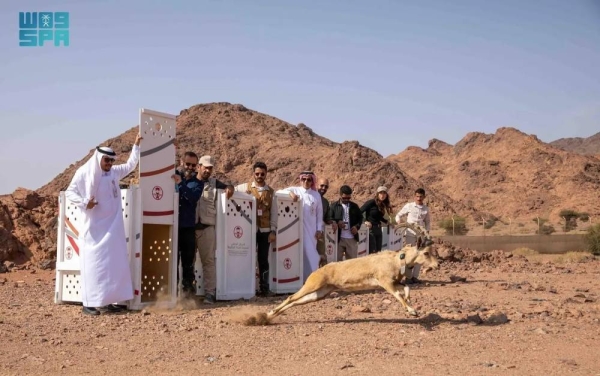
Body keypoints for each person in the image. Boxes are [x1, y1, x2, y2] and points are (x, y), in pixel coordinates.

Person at [65, 133, 142, 316]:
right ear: (99, 158)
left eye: (111, 161)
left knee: (112, 266)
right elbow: (70, 192)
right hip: (94, 229)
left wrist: (136, 145)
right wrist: (85, 203)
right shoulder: (84, 173)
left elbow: (131, 165)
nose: (109, 164)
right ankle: (88, 303)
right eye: (107, 160)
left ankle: (108, 302)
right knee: (94, 266)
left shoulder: (113, 173)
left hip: (113, 229)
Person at [195, 155, 234, 304]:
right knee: (187, 262)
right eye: (205, 167)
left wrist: (230, 189)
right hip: (190, 227)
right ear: (199, 167)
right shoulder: (190, 182)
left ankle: (209, 293)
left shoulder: (214, 183)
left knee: (208, 261)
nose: (207, 170)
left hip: (207, 228)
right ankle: (187, 293)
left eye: (210, 168)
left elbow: (229, 187)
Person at [235, 162, 277, 297]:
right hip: (250, 230)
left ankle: (264, 288)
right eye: (257, 173)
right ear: (253, 174)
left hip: (265, 231)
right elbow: (230, 191)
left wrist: (273, 230)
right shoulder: (245, 187)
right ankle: (246, 288)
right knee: (247, 258)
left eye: (262, 174)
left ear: (266, 174)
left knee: (263, 259)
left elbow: (274, 213)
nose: (259, 176)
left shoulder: (271, 192)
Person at [281, 171, 323, 282]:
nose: (306, 182)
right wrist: (290, 194)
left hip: (312, 231)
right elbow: (279, 192)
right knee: (299, 254)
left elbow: (319, 215)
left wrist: (319, 230)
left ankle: (313, 280)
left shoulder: (316, 195)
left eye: (309, 180)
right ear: (300, 180)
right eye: (303, 179)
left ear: (312, 181)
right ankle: (299, 281)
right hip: (297, 229)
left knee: (312, 255)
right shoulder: (296, 190)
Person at [171, 151, 202, 297]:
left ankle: (188, 296)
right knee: (172, 262)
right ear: (181, 162)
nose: (190, 167)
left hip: (188, 228)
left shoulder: (198, 183)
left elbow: (192, 198)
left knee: (188, 262)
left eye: (193, 165)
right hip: (172, 226)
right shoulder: (172, 175)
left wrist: (181, 183)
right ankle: (172, 296)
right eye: (187, 164)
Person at [394, 187, 432, 284]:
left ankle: (415, 277)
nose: (419, 198)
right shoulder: (409, 206)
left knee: (420, 255)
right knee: (410, 256)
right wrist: (399, 222)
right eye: (417, 196)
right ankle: (408, 277)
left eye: (421, 196)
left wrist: (426, 233)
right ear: (414, 196)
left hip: (421, 236)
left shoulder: (426, 209)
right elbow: (398, 215)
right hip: (410, 234)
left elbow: (427, 222)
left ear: (424, 197)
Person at [329, 185, 363, 261]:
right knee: (337, 263)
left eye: (349, 198)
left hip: (351, 239)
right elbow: (330, 218)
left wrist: (356, 227)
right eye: (344, 198)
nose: (347, 200)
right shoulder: (334, 206)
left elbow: (360, 218)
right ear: (340, 195)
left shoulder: (354, 206)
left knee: (352, 263)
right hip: (338, 239)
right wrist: (337, 222)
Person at [360, 186, 393, 254]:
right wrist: (365, 221)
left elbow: (378, 217)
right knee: (373, 252)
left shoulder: (382, 204)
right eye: (380, 193)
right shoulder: (371, 202)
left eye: (384, 193)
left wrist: (387, 222)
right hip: (371, 229)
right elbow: (359, 212)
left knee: (378, 252)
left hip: (378, 229)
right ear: (377, 194)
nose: (382, 195)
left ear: (386, 195)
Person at [316, 177, 334, 266]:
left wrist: (333, 222)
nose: (323, 188)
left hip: (320, 234)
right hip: (307, 231)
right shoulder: (309, 196)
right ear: (316, 185)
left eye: (326, 187)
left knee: (322, 256)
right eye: (322, 185)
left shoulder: (326, 202)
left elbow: (326, 218)